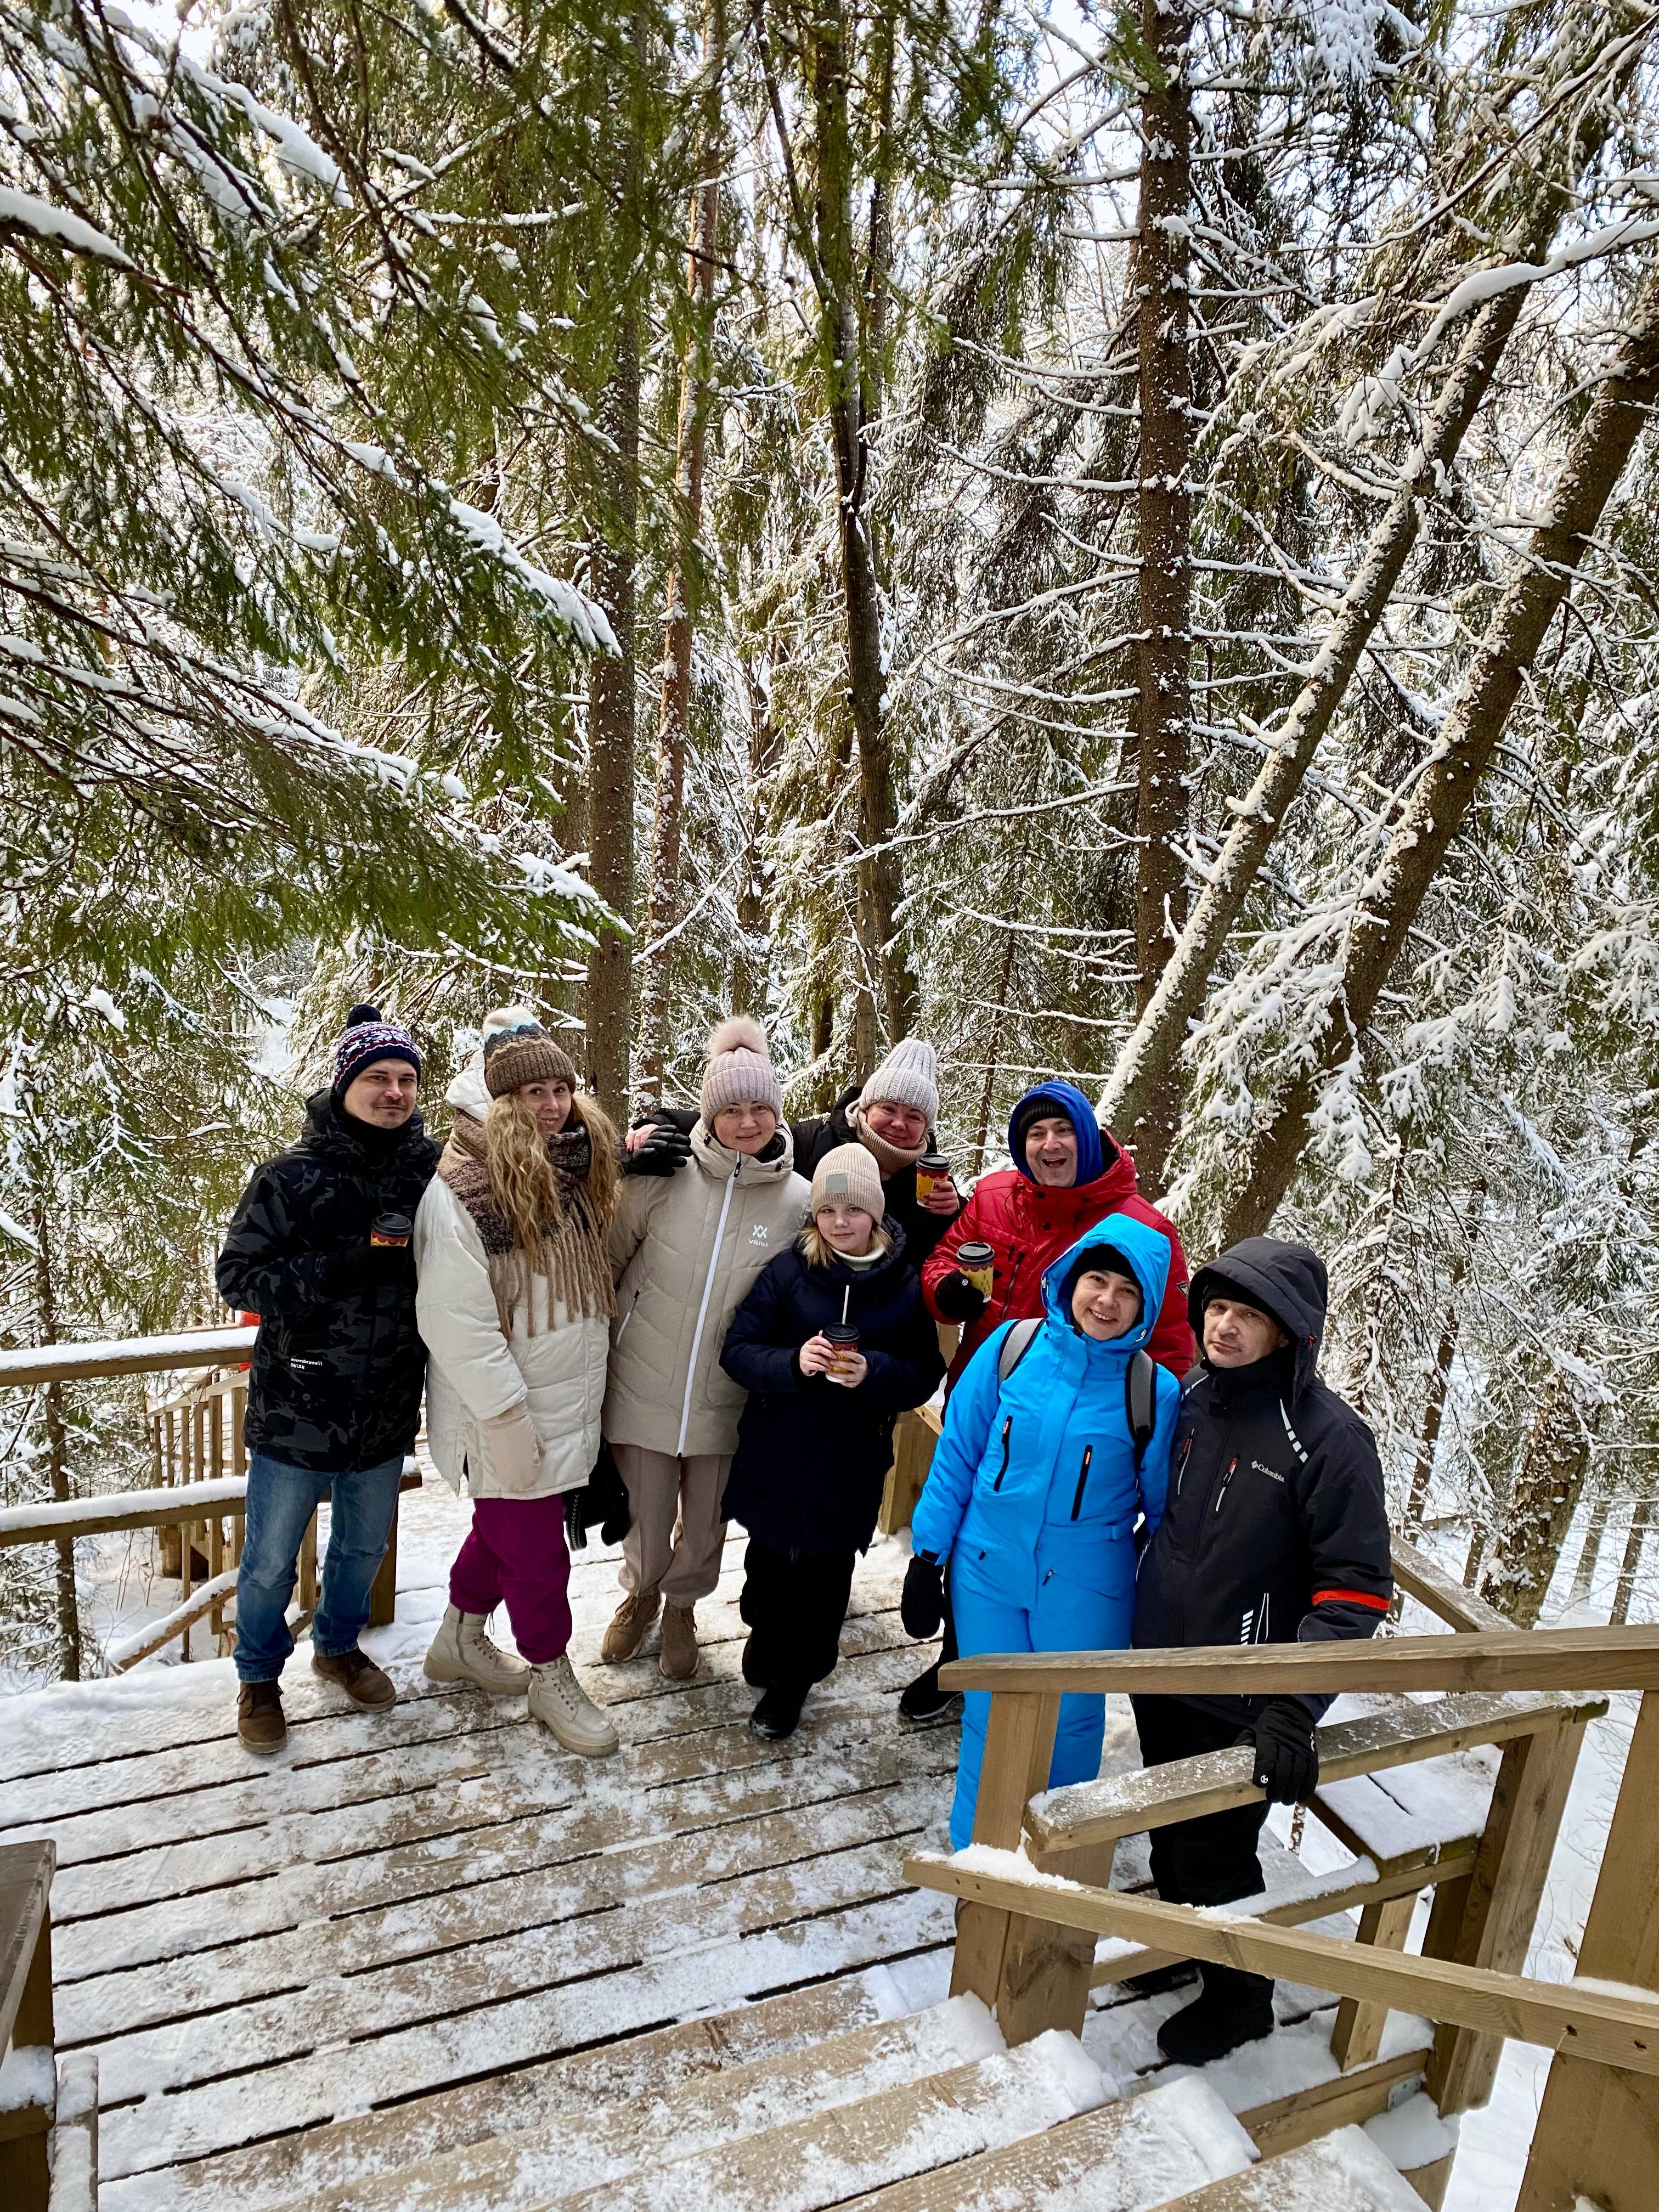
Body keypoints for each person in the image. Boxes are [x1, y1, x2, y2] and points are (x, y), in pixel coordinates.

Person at [1130, 1236, 1393, 2066]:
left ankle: (1241, 2000)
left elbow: (1354, 1591)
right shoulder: (1197, 1396)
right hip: (1157, 1662)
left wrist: (1292, 1703)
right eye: (1218, 1309)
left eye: (1250, 1316)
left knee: (1216, 1851)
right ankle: (1181, 1941)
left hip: (1242, 1691)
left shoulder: (1329, 1438)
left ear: (1290, 1333)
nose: (1227, 1327)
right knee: (1167, 1828)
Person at [901, 1079, 1194, 1725]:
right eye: (1035, 1133)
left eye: (1063, 1131)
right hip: (991, 1389)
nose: (1049, 1145)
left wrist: (1135, 1415)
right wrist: (944, 1290)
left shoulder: (1141, 1230)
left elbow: (1171, 1343)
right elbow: (946, 1256)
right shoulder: (997, 1195)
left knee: (1054, 1558)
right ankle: (963, 1660)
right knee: (979, 1526)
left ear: (1088, 1139)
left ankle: (1036, 1703)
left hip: (1090, 1433)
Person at [905, 1214, 1178, 1848]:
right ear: (1071, 1279)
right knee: (990, 1716)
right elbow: (959, 1456)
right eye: (1097, 1280)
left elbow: (1162, 1510)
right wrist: (926, 1555)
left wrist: (1158, 1599)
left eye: (1128, 1291)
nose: (1107, 1300)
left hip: (1088, 1589)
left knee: (1073, 1724)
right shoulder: (1011, 1349)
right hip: (986, 1572)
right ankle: (979, 1854)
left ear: (1147, 1305)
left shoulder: (1153, 1392)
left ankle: (1054, 1864)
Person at [217, 1005, 437, 1754]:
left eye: (407, 1079)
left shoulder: (433, 1172)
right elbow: (238, 1278)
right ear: (344, 1084)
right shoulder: (290, 1176)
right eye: (377, 1077)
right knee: (272, 1558)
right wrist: (338, 1271)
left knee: (361, 1550)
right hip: (298, 1407)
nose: (395, 1092)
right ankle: (257, 1679)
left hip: (385, 1408)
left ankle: (338, 1647)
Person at [415, 1009, 621, 1757]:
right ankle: (549, 1672)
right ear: (501, 1101)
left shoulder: (568, 1167)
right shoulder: (464, 1189)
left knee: (501, 1533)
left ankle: (458, 1640)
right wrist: (504, 1416)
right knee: (537, 1557)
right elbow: (455, 1322)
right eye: (533, 1092)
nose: (552, 1105)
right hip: (503, 1410)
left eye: (561, 1088)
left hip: (561, 1399)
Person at [600, 1016, 810, 1679]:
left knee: (707, 1519)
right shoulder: (663, 1174)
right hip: (643, 1377)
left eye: (760, 1108)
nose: (746, 1123)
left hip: (731, 1392)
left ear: (777, 1113)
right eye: (731, 1110)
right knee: (646, 1510)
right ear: (708, 1113)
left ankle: (683, 1609)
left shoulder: (799, 1200)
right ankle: (639, 1596)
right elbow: (606, 1258)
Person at [720, 1142, 946, 1740]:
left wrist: (876, 1372)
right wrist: (793, 1362)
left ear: (875, 1212)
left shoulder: (901, 1285)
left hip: (850, 1463)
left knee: (822, 1585)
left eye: (854, 1210)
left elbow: (923, 1372)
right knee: (767, 1565)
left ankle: (794, 1683)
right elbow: (738, 1350)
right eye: (829, 1211)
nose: (841, 1222)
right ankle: (766, 1627)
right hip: (776, 1453)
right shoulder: (790, 1271)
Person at [627, 1036, 964, 1267]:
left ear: (927, 1125)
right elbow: (749, 1130)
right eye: (889, 1109)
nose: (899, 1124)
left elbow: (945, 1257)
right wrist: (661, 1123)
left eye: (914, 1116)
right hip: (801, 1305)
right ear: (866, 1105)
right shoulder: (816, 1140)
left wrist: (954, 1211)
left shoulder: (932, 1183)